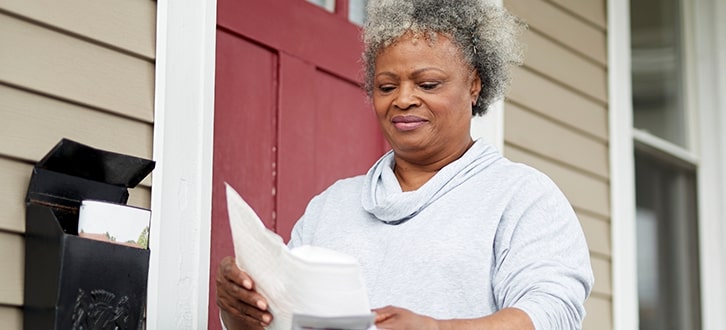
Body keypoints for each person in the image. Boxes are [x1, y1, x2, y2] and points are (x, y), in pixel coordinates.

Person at [216, 0, 594, 329]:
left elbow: (552, 315)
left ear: (474, 85)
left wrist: (437, 329)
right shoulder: (331, 206)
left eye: (427, 84)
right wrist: (243, 314)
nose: (403, 99)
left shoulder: (522, 197)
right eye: (386, 86)